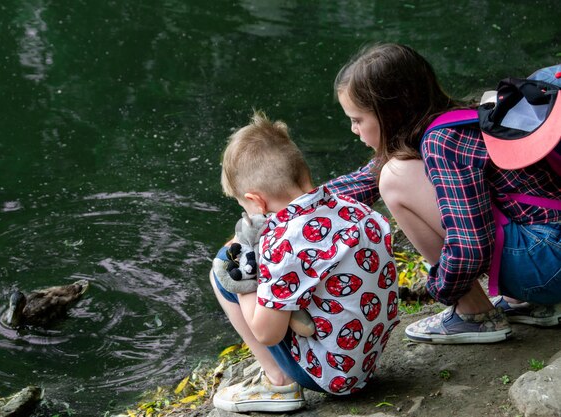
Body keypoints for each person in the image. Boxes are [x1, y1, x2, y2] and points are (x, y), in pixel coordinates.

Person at [327, 42, 561, 345]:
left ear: (391, 113)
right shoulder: (457, 116)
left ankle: (473, 315)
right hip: (552, 251)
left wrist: (439, 288)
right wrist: (295, 204)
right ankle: (533, 304)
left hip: (549, 265)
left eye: (357, 119)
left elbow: (470, 246)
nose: (353, 129)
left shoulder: (439, 143)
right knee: (390, 172)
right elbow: (365, 178)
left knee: (393, 180)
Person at [210, 111, 399, 413]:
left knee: (225, 266)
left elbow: (266, 334)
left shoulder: (281, 244)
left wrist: (247, 268)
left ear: (256, 201)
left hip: (333, 374)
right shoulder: (350, 207)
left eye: (243, 205)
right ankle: (292, 313)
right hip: (367, 352)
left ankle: (278, 381)